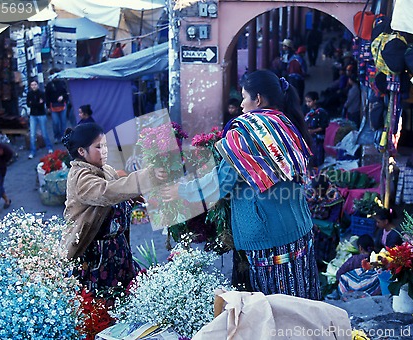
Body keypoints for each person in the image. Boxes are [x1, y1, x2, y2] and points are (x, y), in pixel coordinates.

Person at [162, 70, 320, 299]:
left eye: (245, 97)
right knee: (303, 303)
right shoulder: (285, 123)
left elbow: (220, 183)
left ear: (258, 99)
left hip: (269, 238)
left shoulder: (244, 133)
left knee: (275, 310)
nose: (242, 105)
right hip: (300, 230)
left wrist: (181, 190)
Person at [61, 123, 161, 297]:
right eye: (98, 147)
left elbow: (119, 187)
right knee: (104, 299)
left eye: (106, 145)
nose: (105, 151)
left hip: (117, 248)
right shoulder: (80, 178)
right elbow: (108, 192)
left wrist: (139, 197)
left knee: (124, 292)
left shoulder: (104, 169)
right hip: (97, 254)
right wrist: (146, 176)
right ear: (81, 152)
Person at [26, 79, 53, 159]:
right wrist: (37, 103)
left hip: (41, 114)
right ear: (30, 86)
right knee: (32, 134)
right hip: (33, 115)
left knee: (44, 133)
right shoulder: (29, 94)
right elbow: (28, 104)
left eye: (35, 84)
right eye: (32, 85)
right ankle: (32, 151)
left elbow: (42, 104)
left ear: (37, 85)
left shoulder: (41, 93)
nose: (34, 86)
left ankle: (49, 147)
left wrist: (33, 103)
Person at [304, 91, 329, 167]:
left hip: (318, 138)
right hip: (310, 137)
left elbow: (324, 126)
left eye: (309, 101)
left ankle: (319, 169)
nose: (307, 103)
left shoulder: (321, 112)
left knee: (318, 154)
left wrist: (313, 131)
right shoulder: (308, 111)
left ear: (315, 101)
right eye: (306, 102)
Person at [45, 68, 69, 144]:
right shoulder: (49, 85)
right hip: (53, 106)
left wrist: (63, 97)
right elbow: (47, 96)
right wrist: (48, 106)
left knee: (63, 122)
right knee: (56, 123)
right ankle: (56, 136)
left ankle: (63, 136)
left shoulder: (62, 83)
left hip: (62, 105)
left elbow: (66, 93)